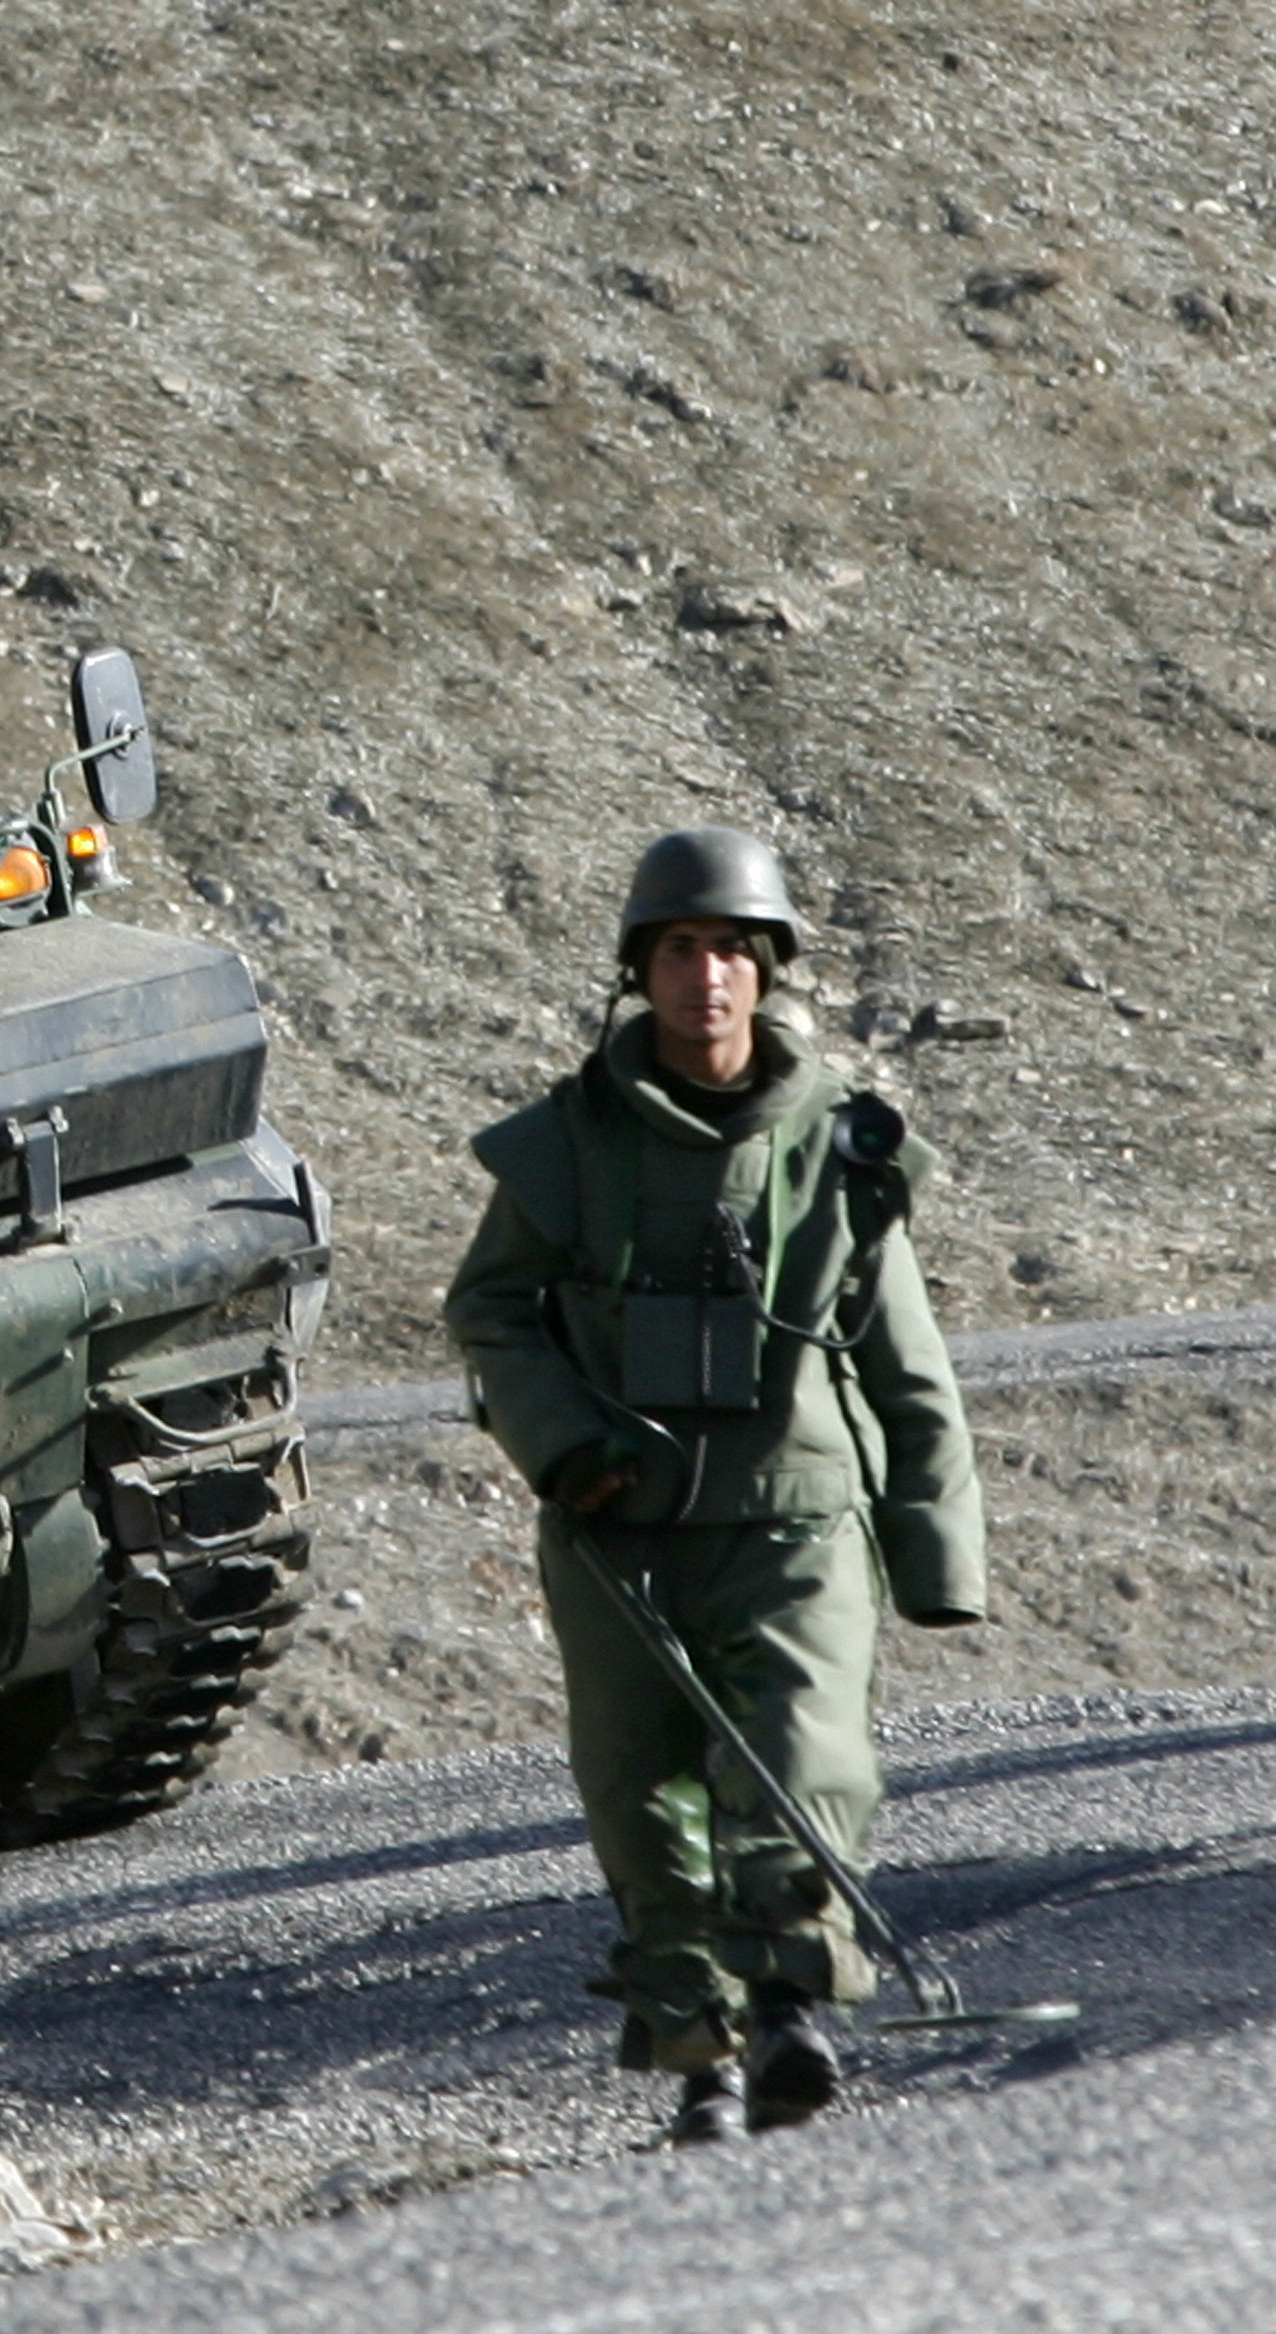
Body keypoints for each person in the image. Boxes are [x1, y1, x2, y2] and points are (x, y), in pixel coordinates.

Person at [441, 826, 986, 2146]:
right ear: (642, 970)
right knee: (646, 1803)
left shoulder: (836, 1151)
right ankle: (706, 2062)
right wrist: (566, 1443)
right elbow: (491, 1312)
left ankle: (795, 2004)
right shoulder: (565, 1146)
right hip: (619, 1524)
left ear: (769, 969)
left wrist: (936, 1557)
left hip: (797, 1511)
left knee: (805, 1761)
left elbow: (906, 1364)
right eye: (681, 948)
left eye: (733, 948)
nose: (708, 976)